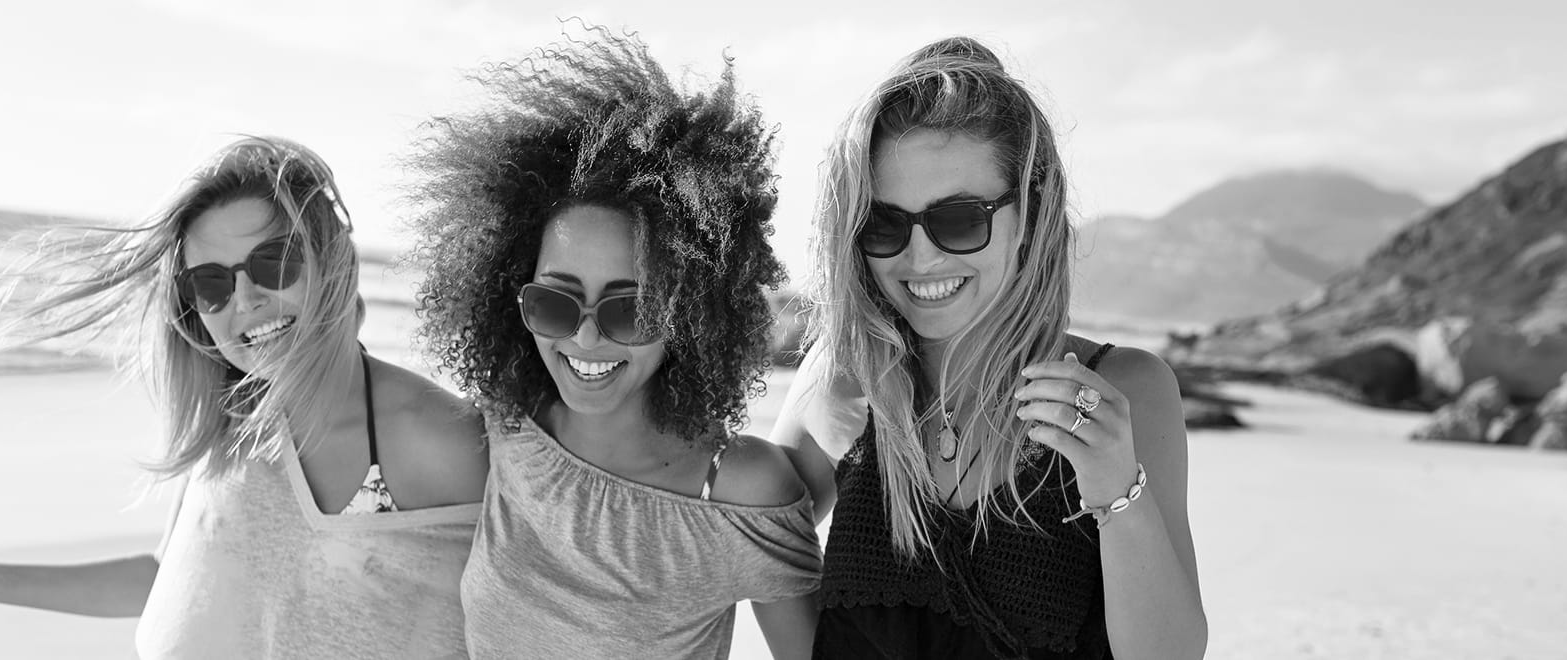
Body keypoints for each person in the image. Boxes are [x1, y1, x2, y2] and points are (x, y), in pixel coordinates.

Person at [0, 137, 488, 659]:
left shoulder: (438, 438)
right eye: (212, 283)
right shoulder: (228, 429)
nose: (247, 300)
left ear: (330, 258)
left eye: (273, 263)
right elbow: (169, 578)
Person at [771, 38, 1209, 659]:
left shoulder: (1127, 389)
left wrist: (1115, 491)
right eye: (885, 224)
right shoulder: (844, 381)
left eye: (959, 220)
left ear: (1028, 212)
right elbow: (739, 536)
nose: (920, 259)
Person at [404, 28, 821, 660]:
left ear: (688, 310)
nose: (586, 335)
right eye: (555, 302)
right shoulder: (508, 429)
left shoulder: (742, 490)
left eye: (632, 308)